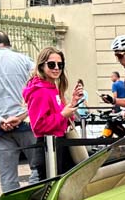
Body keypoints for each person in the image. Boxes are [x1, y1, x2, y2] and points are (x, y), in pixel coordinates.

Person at [0, 31, 45, 189]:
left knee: (7, 178)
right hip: (28, 124)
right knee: (39, 170)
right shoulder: (25, 61)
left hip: (0, 130)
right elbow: (39, 89)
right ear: (8, 43)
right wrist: (21, 115)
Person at [23, 46, 83, 176]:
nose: (56, 68)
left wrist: (71, 104)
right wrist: (63, 115)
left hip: (58, 145)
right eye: (51, 64)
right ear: (41, 66)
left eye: (60, 65)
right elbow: (38, 126)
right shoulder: (40, 90)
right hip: (49, 148)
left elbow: (60, 117)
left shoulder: (51, 87)